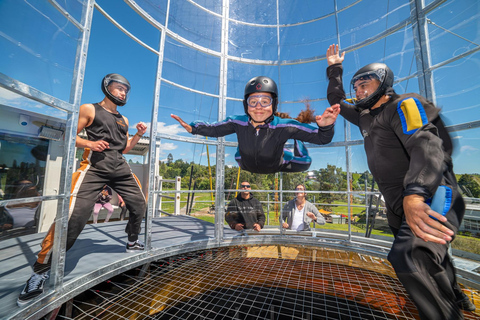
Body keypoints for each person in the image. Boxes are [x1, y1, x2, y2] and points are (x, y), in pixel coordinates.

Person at [326, 44, 474, 319]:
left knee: (411, 255)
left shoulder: (404, 105)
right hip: (399, 203)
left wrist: (416, 194)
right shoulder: (364, 117)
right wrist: (335, 68)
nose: (357, 90)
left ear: (384, 83)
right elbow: (335, 97)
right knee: (428, 255)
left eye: (364, 84)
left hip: (431, 194)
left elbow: (426, 145)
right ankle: (454, 295)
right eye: (354, 86)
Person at [17, 73, 148, 306]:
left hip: (119, 167)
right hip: (93, 168)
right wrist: (90, 144)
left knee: (139, 203)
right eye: (119, 88)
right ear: (107, 87)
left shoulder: (124, 120)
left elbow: (125, 149)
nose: (123, 93)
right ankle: (39, 272)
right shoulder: (89, 109)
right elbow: (70, 135)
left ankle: (132, 241)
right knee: (73, 216)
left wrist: (138, 134)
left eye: (126, 90)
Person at [171, 76, 340, 174]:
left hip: (276, 164)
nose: (259, 107)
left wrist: (326, 127)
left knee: (305, 162)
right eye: (253, 101)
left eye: (265, 101)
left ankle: (296, 143)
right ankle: (250, 147)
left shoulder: (285, 126)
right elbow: (215, 129)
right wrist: (194, 128)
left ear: (274, 105)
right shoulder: (238, 122)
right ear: (246, 105)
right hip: (245, 162)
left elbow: (321, 138)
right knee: (240, 152)